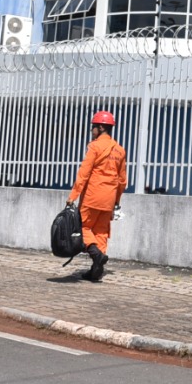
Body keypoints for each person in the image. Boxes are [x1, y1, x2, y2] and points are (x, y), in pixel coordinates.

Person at [66, 110, 127, 282]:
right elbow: (122, 180)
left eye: (94, 127)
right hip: (109, 198)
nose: (92, 130)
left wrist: (73, 196)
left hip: (92, 196)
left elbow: (84, 173)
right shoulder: (120, 150)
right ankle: (96, 271)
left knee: (82, 228)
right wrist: (116, 201)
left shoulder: (94, 146)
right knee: (101, 232)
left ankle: (95, 254)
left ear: (101, 127)